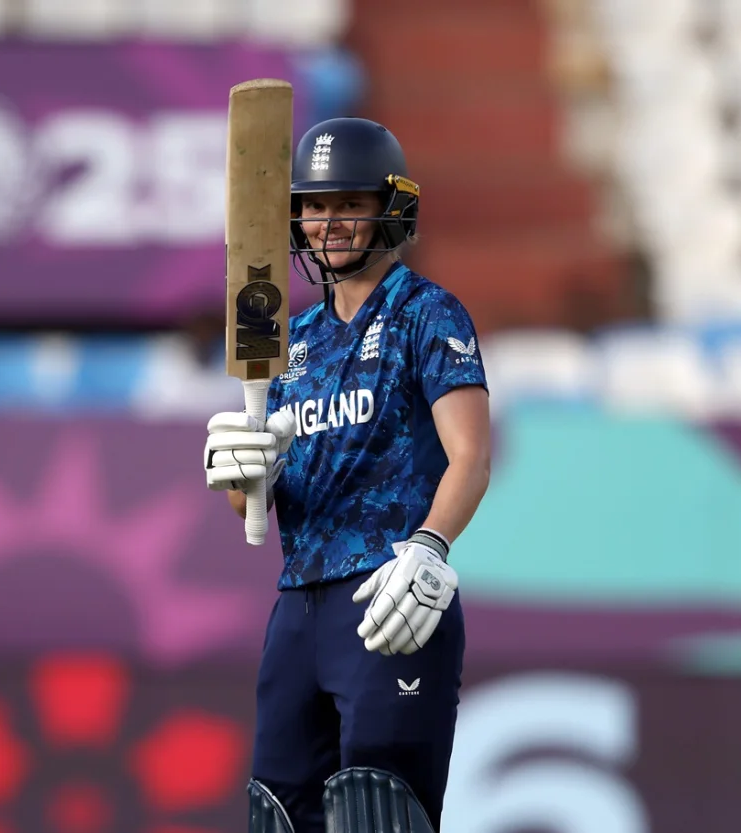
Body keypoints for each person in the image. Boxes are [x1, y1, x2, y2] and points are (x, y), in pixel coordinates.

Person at [204, 118, 492, 832]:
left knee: (377, 811)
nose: (329, 223)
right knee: (277, 812)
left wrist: (430, 545)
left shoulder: (427, 313)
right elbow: (262, 500)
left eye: (349, 204)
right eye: (316, 205)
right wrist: (241, 473)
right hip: (298, 604)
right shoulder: (288, 340)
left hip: (391, 594)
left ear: (389, 208)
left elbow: (471, 456)